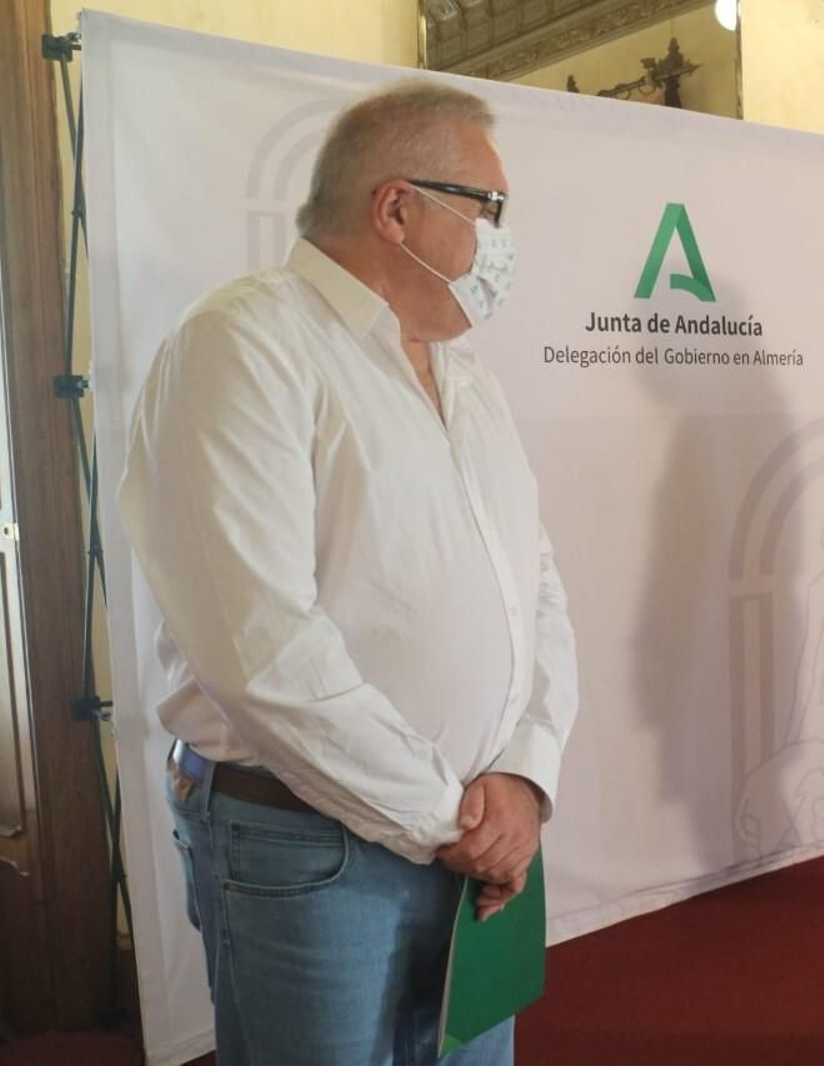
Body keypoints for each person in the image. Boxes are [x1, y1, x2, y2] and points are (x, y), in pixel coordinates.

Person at [118, 80, 578, 1064]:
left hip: (475, 840)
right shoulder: (242, 344)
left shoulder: (469, 377)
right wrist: (449, 816)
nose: (504, 239)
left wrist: (523, 778)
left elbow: (532, 588)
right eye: (489, 209)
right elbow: (263, 646)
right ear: (396, 206)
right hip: (312, 850)